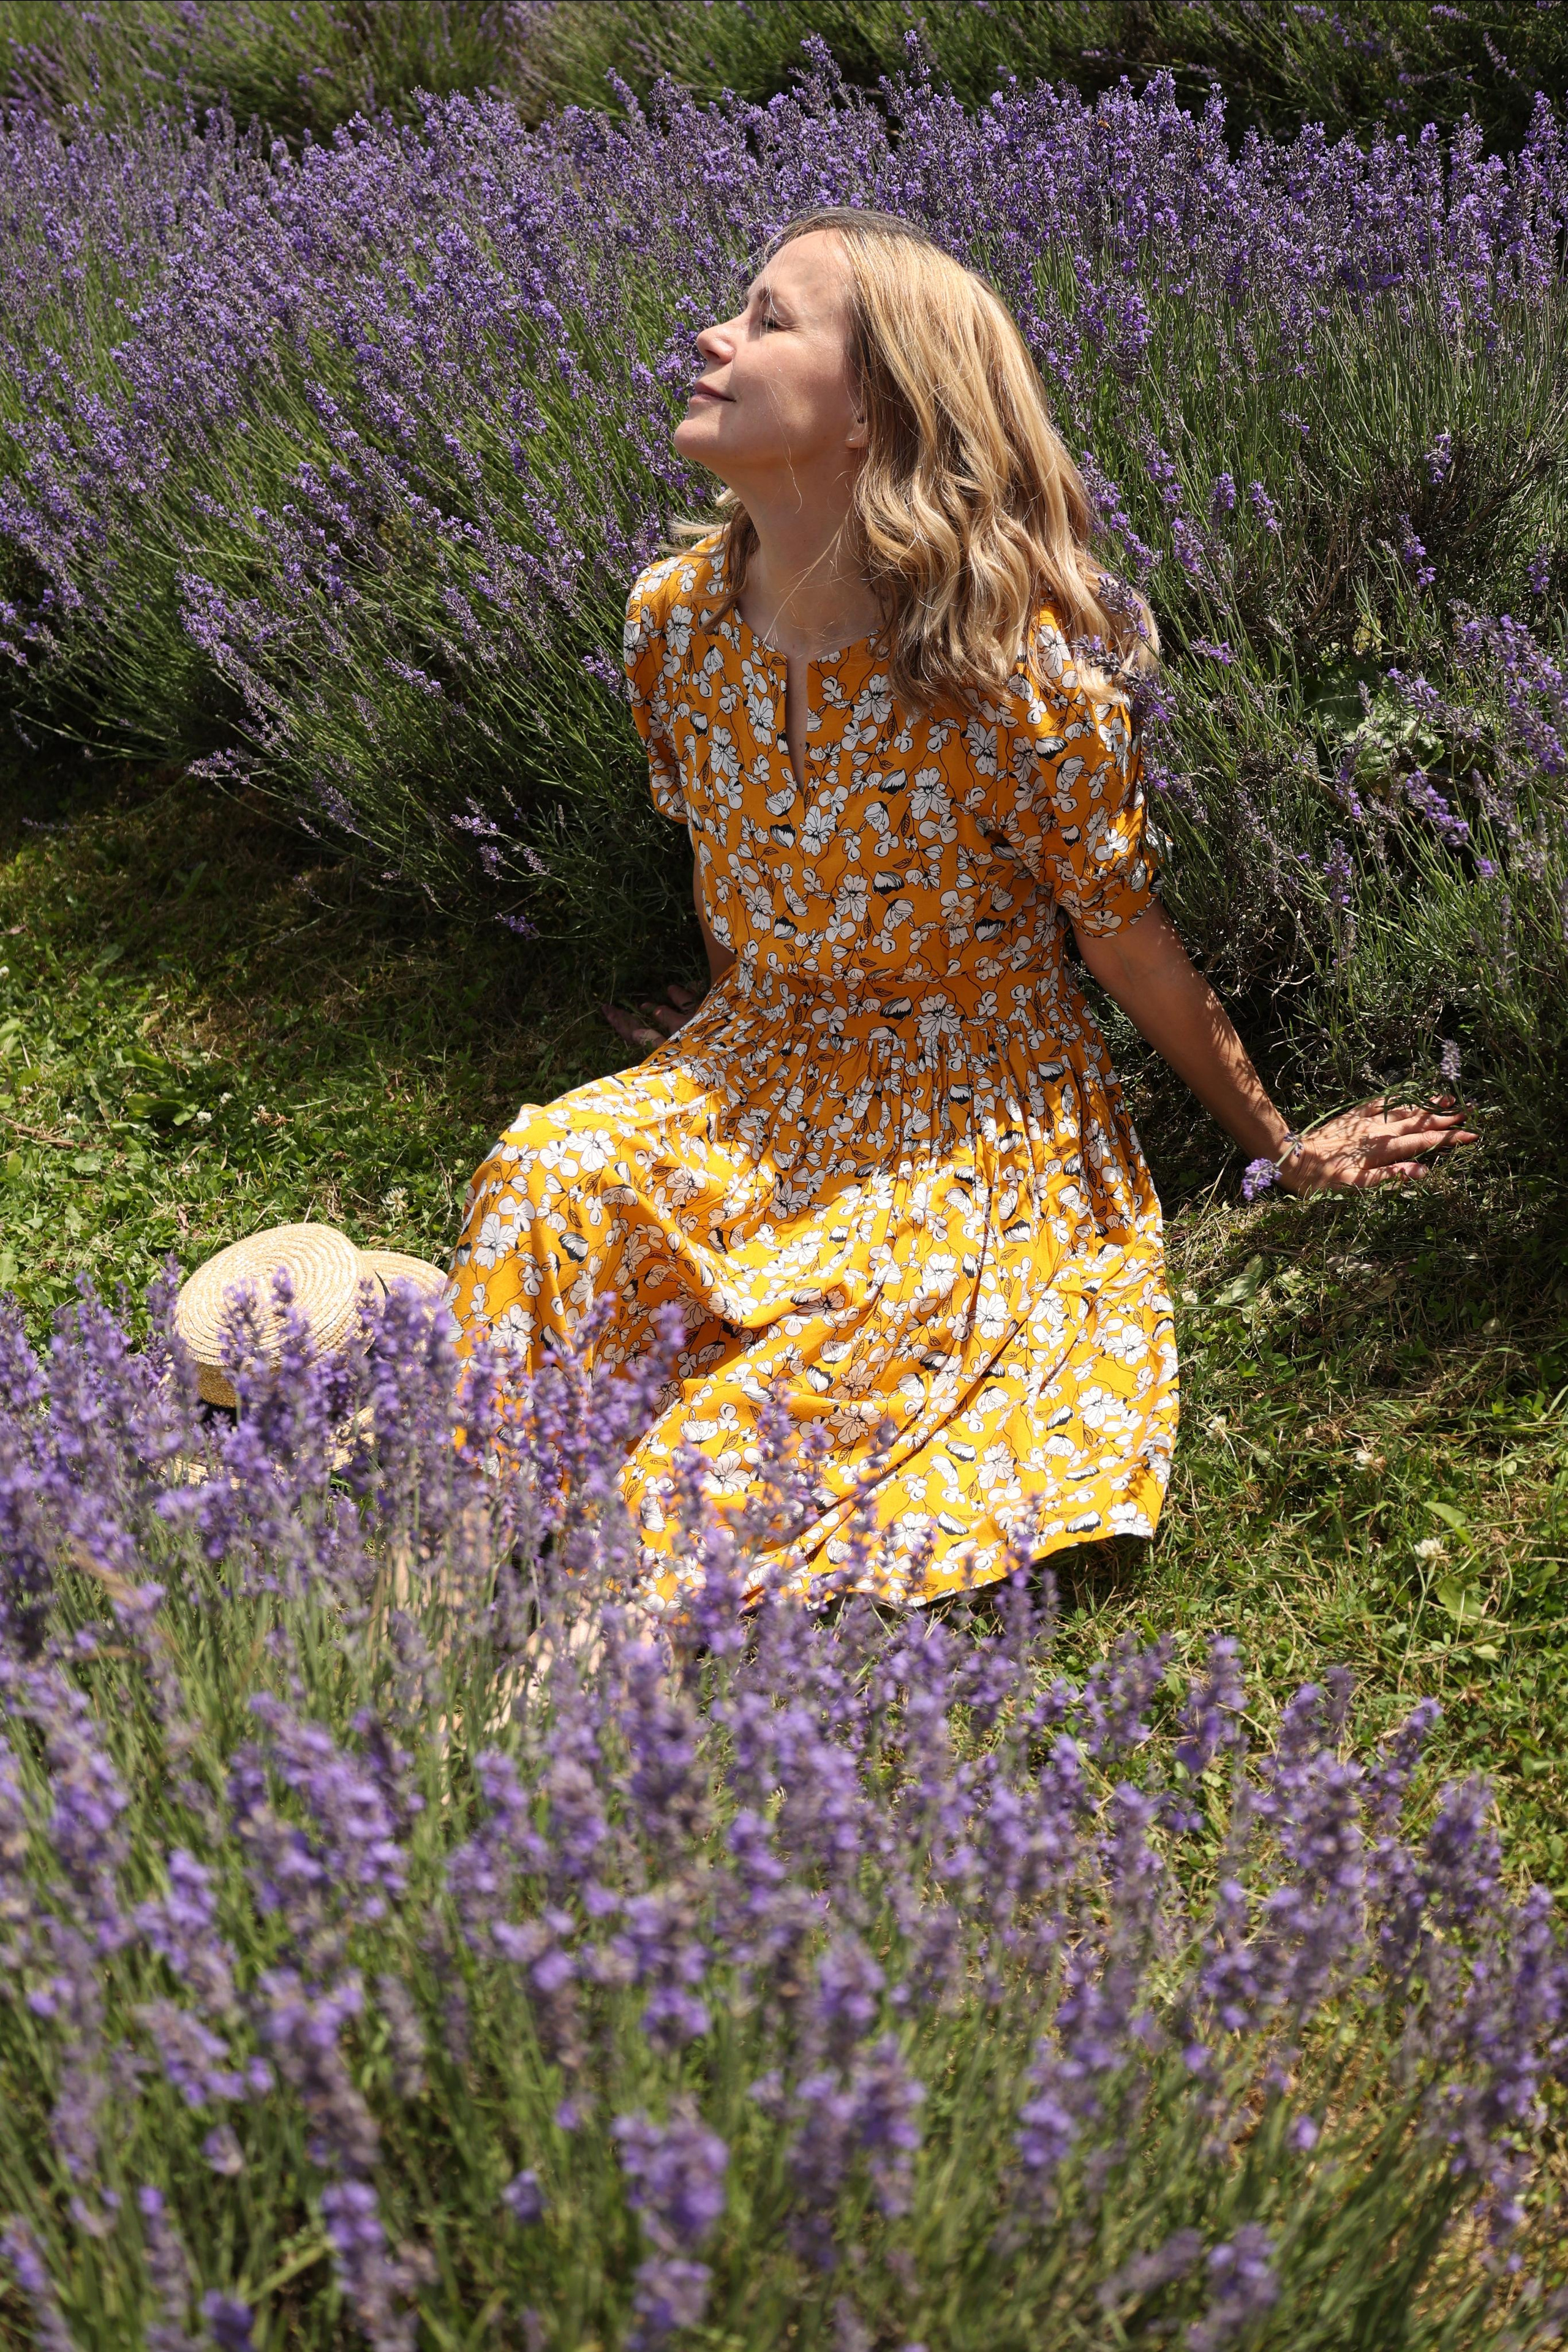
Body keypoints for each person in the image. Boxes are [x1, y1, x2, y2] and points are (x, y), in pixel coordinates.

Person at [445, 209, 1472, 1608]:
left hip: (969, 1108)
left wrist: (1280, 1148)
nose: (711, 338)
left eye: (766, 320)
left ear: (871, 413)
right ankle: (447, 1548)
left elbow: (1121, 936)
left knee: (847, 1332)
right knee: (546, 1173)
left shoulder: (1004, 675)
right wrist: (721, 1022)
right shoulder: (672, 618)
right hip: (763, 1060)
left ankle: (606, 1591)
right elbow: (718, 856)